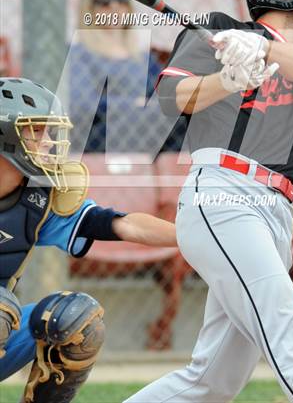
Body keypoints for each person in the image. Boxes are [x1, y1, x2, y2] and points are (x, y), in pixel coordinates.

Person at [124, 0, 293, 403]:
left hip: (276, 213)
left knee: (212, 381)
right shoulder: (216, 29)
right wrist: (228, 80)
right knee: (291, 343)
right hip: (225, 197)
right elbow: (175, 99)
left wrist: (264, 49)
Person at [0, 77, 177, 403]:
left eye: (50, 132)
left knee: (75, 319)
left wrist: (192, 237)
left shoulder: (38, 199)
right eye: (36, 131)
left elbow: (121, 225)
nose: (50, 143)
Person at [69, 0, 186, 153]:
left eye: (121, 0)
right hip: (103, 135)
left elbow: (164, 95)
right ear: (89, 8)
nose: (115, 8)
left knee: (186, 119)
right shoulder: (81, 53)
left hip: (147, 128)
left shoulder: (141, 56)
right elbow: (83, 105)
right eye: (105, 3)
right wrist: (134, 105)